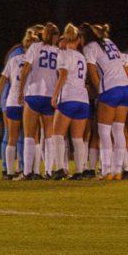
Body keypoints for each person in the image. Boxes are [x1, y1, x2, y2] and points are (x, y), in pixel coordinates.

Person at [82, 22, 128, 181]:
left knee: (104, 131)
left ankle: (106, 171)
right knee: (118, 131)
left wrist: (100, 92)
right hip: (126, 88)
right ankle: (118, 170)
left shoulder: (89, 48)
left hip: (111, 88)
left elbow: (92, 72)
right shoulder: (109, 42)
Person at [14, 23, 59, 180]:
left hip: (34, 93)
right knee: (49, 135)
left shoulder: (35, 47)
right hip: (49, 95)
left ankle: (27, 172)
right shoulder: (58, 51)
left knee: (29, 135)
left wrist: (20, 90)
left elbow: (26, 69)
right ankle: (48, 171)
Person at [48, 24, 91, 180]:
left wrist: (54, 95)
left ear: (65, 38)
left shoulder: (64, 54)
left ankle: (59, 169)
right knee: (78, 138)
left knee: (57, 135)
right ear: (78, 40)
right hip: (83, 100)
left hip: (68, 97)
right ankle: (79, 171)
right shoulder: (82, 57)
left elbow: (64, 74)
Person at [0, 29, 35, 179]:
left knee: (11, 136)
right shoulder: (33, 60)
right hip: (27, 100)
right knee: (29, 136)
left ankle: (8, 172)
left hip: (12, 100)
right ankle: (27, 170)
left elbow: (3, 79)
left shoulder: (14, 58)